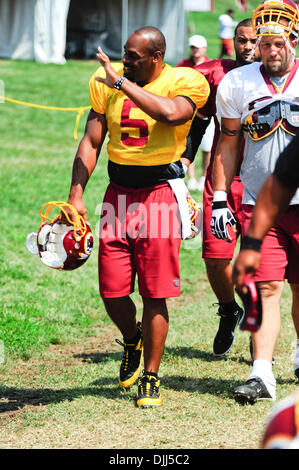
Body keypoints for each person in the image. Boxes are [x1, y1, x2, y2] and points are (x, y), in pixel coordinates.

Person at [62, 26, 209, 409]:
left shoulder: (184, 80)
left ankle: (151, 375)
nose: (124, 60)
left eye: (133, 56)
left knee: (154, 291)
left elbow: (171, 114)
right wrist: (76, 193)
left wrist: (122, 82)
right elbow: (93, 140)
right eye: (124, 53)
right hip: (118, 194)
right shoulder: (104, 82)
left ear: (156, 58)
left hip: (160, 194)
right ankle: (132, 337)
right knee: (111, 290)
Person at [211, 0, 299, 404]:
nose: (271, 51)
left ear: (293, 41)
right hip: (257, 202)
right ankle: (261, 373)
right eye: (264, 44)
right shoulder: (236, 83)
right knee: (265, 287)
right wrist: (218, 197)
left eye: (279, 43)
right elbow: (227, 144)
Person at [181, 18, 259, 357]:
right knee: (215, 258)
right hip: (223, 177)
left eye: (253, 41)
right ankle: (229, 309)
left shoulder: (279, 76)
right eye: (241, 40)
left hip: (262, 180)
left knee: (260, 265)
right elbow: (199, 121)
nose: (247, 47)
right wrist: (185, 159)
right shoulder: (217, 73)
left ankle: (262, 356)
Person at [233, 130, 299, 378]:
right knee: (266, 287)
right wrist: (251, 244)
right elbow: (280, 182)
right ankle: (261, 373)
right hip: (271, 207)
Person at [177, 35, 214, 191]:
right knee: (189, 145)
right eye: (193, 47)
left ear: (204, 48)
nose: (195, 50)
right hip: (188, 112)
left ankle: (204, 176)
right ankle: (191, 178)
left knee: (207, 147)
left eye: (198, 47)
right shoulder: (183, 65)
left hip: (207, 112)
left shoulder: (212, 64)